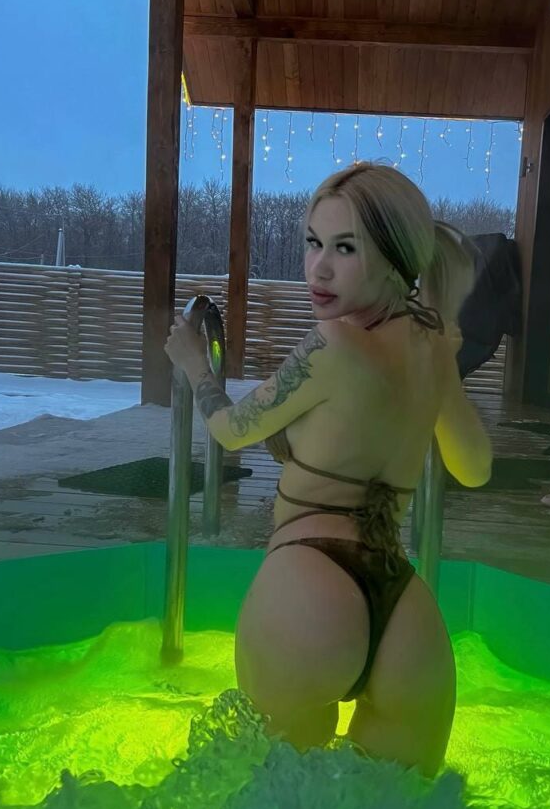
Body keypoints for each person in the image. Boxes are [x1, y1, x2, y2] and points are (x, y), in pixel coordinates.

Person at [165, 161, 492, 777]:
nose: (318, 268)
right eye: (314, 243)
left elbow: (231, 429)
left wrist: (195, 365)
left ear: (394, 260)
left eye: (345, 248)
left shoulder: (332, 345)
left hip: (308, 588)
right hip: (406, 617)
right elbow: (474, 468)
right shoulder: (433, 348)